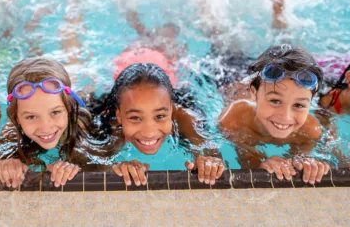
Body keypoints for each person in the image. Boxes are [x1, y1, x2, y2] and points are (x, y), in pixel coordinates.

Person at [89, 62, 224, 187]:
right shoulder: (109, 127)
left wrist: (208, 163)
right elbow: (97, 168)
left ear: (171, 110)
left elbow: (209, 153)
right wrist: (118, 168)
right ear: (119, 116)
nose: (149, 133)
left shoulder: (185, 118)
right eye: (135, 118)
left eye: (160, 116)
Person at [219, 44, 331, 184]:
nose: (285, 116)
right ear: (254, 93)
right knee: (225, 47)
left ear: (310, 104)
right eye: (275, 101)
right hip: (229, 75)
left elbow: (301, 158)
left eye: (299, 105)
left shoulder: (311, 130)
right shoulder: (235, 118)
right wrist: (260, 165)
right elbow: (245, 156)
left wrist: (308, 165)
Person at [0, 57, 102, 189]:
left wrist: (76, 167)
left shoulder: (82, 125)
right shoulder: (10, 132)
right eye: (31, 116)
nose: (46, 127)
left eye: (55, 112)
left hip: (87, 104)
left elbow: (100, 167)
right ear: (16, 118)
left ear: (68, 108)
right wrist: (5, 162)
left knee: (78, 69)